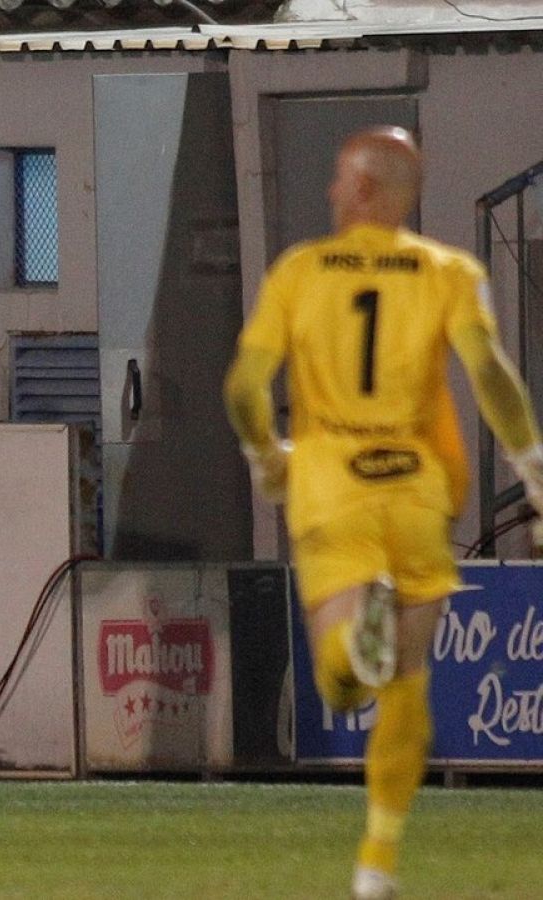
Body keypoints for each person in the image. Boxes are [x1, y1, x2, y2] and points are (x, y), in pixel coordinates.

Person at [224, 126, 543, 900]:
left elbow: (244, 388)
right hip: (417, 490)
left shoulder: (300, 271)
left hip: (333, 485)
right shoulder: (448, 271)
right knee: (407, 683)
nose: (333, 191)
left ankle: (350, 644)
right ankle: (376, 864)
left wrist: (269, 454)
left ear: (364, 189)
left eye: (340, 178)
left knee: (340, 688)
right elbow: (491, 375)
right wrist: (533, 472)